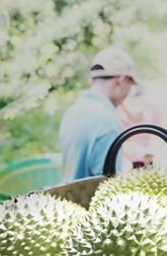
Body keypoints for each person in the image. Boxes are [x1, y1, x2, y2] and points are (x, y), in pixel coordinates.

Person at [58, 47, 137, 182]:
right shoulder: (107, 121)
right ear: (122, 80)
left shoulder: (72, 112)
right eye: (130, 84)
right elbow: (109, 189)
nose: (128, 92)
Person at [116, 84, 160, 168]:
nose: (137, 111)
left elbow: (156, 136)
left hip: (148, 159)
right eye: (133, 106)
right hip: (125, 162)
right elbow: (117, 143)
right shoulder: (116, 115)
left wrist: (152, 149)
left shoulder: (153, 111)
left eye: (140, 105)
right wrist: (135, 150)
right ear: (123, 103)